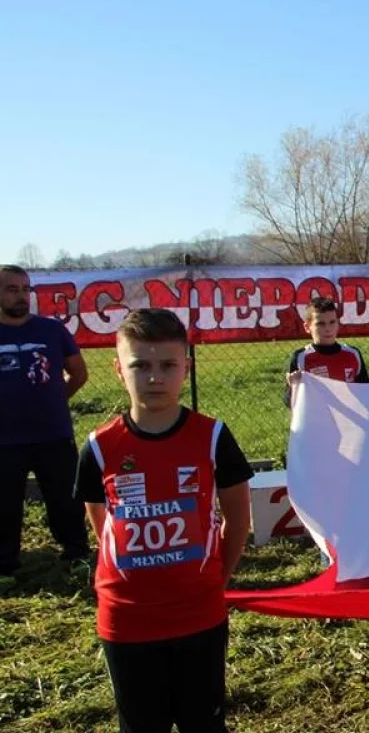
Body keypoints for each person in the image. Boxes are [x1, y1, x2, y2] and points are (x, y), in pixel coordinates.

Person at [73, 308, 252, 733]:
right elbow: (103, 525)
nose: (155, 377)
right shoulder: (98, 446)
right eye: (141, 365)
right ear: (119, 370)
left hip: (199, 615)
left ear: (185, 367)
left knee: (203, 724)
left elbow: (238, 521)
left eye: (168, 365)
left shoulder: (213, 437)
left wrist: (213, 582)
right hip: (125, 621)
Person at [0, 264, 90, 584]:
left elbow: (79, 373)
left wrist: (55, 401)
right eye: (12, 289)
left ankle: (77, 554)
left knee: (65, 499)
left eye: (26, 289)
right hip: (5, 441)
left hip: (52, 433)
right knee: (5, 505)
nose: (22, 296)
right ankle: (5, 566)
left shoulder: (51, 330)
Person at [284, 297, 369, 407]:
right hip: (318, 421)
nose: (328, 328)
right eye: (320, 324)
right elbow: (289, 402)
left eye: (332, 322)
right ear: (307, 327)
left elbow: (367, 394)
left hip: (350, 421)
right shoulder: (300, 357)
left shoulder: (353, 354)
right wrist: (293, 386)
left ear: (338, 323)